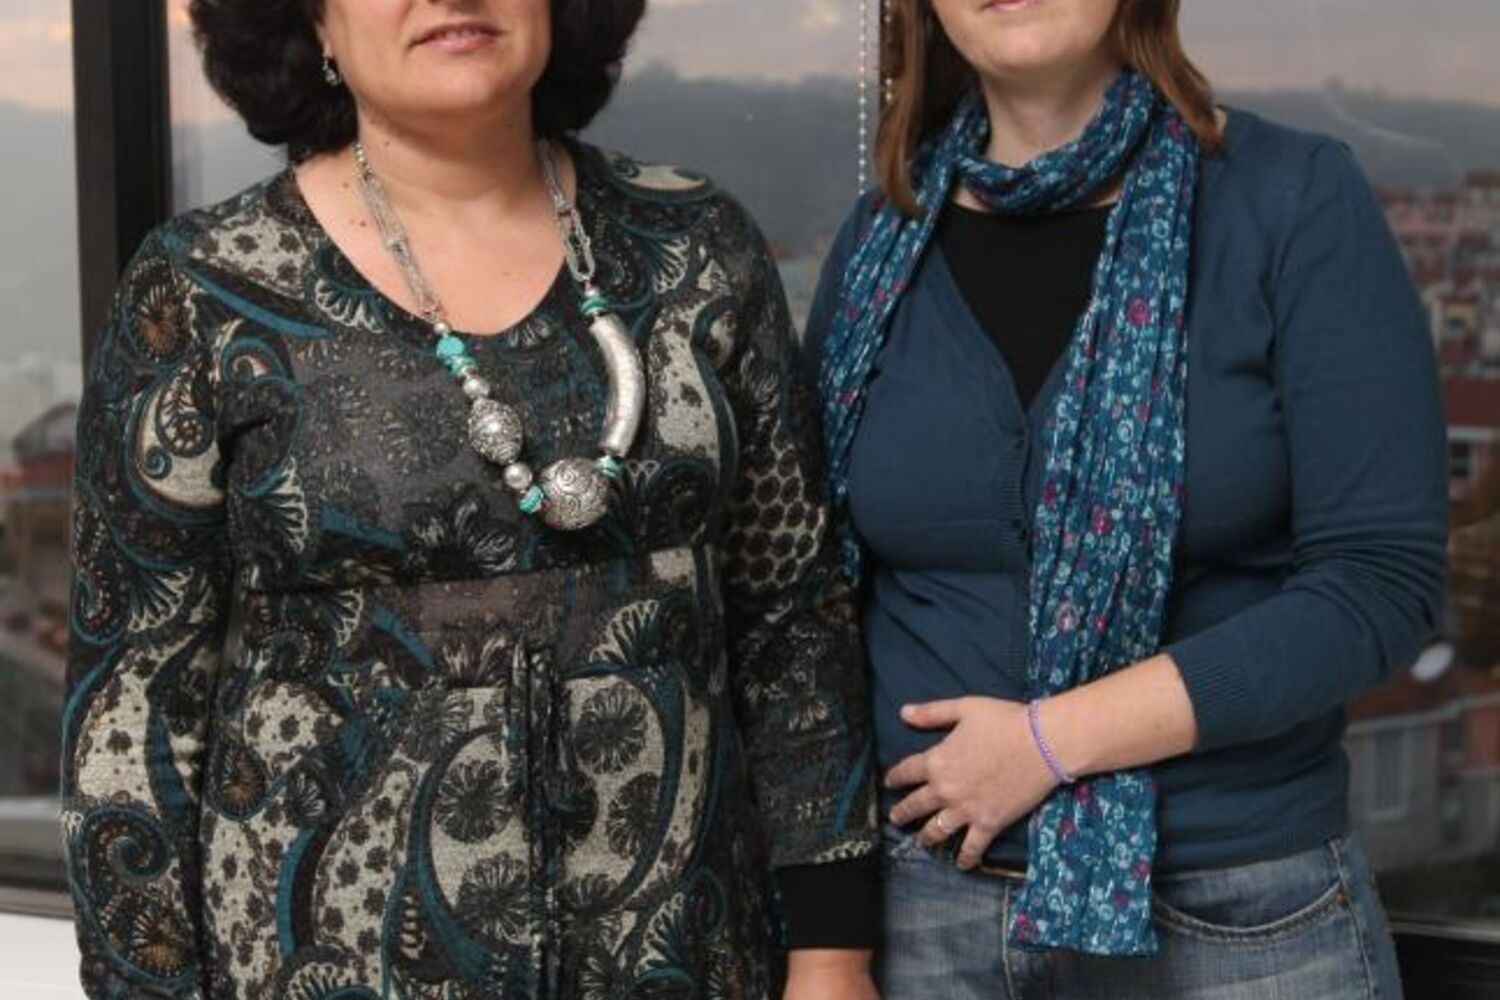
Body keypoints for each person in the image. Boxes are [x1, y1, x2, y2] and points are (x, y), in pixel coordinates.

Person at [58, 1, 880, 997]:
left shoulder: (700, 247)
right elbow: (131, 710)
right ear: (313, 22)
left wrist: (832, 956)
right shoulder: (199, 289)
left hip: (685, 963)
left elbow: (793, 622)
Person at [805, 0, 1448, 996]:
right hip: (923, 915)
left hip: (1239, 918)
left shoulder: (1291, 200)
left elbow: (1379, 585)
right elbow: (807, 606)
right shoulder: (880, 239)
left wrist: (1050, 742)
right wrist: (824, 942)